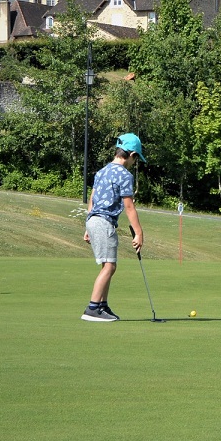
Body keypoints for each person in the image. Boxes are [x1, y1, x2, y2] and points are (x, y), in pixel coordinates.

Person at [81, 133, 147, 322]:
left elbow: (92, 199)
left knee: (108, 264)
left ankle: (102, 306)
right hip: (104, 221)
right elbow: (129, 206)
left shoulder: (101, 171)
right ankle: (92, 308)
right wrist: (139, 232)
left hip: (94, 219)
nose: (135, 163)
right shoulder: (124, 175)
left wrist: (88, 224)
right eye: (136, 159)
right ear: (132, 154)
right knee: (109, 266)